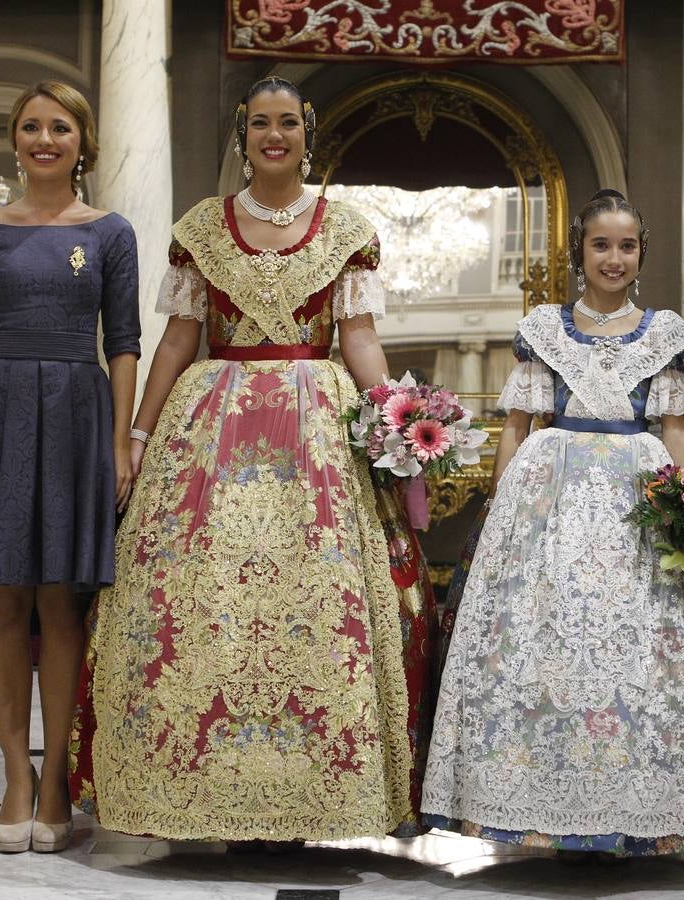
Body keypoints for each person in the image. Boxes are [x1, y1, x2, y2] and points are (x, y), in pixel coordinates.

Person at [67, 76, 424, 842]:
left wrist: (395, 417)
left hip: (317, 435)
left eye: (287, 123)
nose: (274, 135)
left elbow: (356, 335)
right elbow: (178, 338)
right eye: (260, 123)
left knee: (317, 605)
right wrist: (137, 434)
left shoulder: (345, 228)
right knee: (204, 602)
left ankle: (318, 790)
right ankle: (198, 785)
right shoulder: (202, 227)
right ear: (243, 135)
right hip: (211, 430)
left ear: (307, 132)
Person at [422, 190, 684, 857]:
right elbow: (518, 427)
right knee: (545, 640)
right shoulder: (544, 328)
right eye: (601, 245)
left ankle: (650, 805)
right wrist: (502, 506)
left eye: (627, 246)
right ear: (579, 252)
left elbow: (675, 428)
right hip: (548, 499)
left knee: (644, 647)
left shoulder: (665, 334)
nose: (614, 258)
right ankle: (535, 803)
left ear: (642, 253)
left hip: (639, 498)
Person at [0, 81, 140, 853]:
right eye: (31, 127)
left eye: (60, 127)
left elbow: (124, 345)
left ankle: (56, 783)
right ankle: (16, 777)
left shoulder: (111, 232)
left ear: (83, 141)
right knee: (2, 605)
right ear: (15, 140)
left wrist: (121, 444)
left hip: (77, 418)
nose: (45, 139)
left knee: (61, 606)